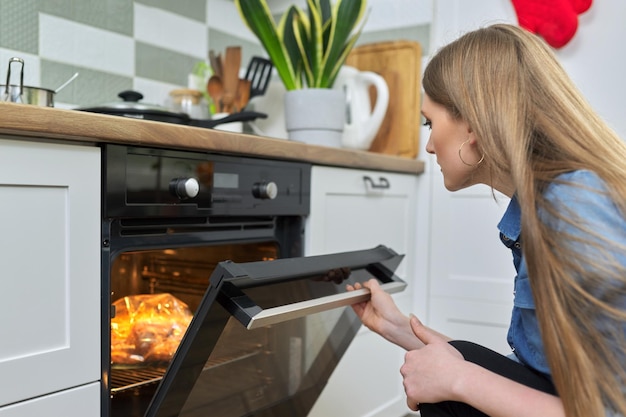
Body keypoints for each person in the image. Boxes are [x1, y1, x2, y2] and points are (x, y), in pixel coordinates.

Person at [347, 23, 626, 417]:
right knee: (451, 362)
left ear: (473, 124)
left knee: (448, 387)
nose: (428, 145)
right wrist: (397, 328)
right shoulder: (540, 207)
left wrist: (459, 379)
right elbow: (542, 382)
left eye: (430, 123)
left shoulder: (573, 207)